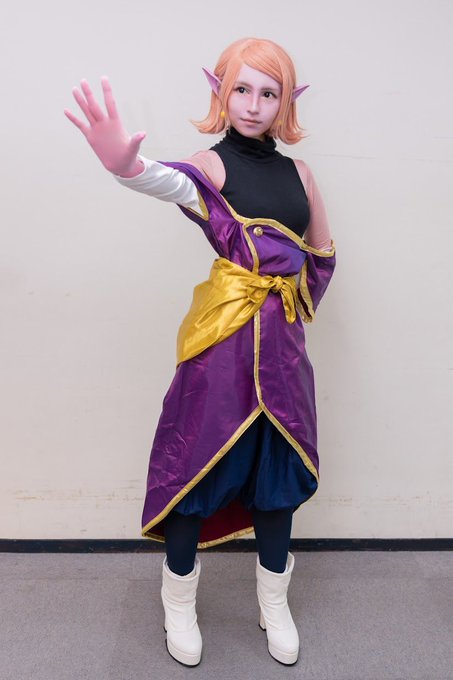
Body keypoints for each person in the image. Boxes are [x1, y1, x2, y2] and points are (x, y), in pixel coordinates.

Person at [64, 36, 336, 668]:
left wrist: (292, 304)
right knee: (197, 466)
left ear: (285, 103)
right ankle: (178, 602)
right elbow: (166, 181)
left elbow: (322, 253)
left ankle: (274, 605)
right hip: (221, 347)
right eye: (241, 89)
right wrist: (124, 167)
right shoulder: (209, 167)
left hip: (284, 352)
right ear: (220, 91)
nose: (253, 104)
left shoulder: (300, 173)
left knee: (277, 478)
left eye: (268, 93)